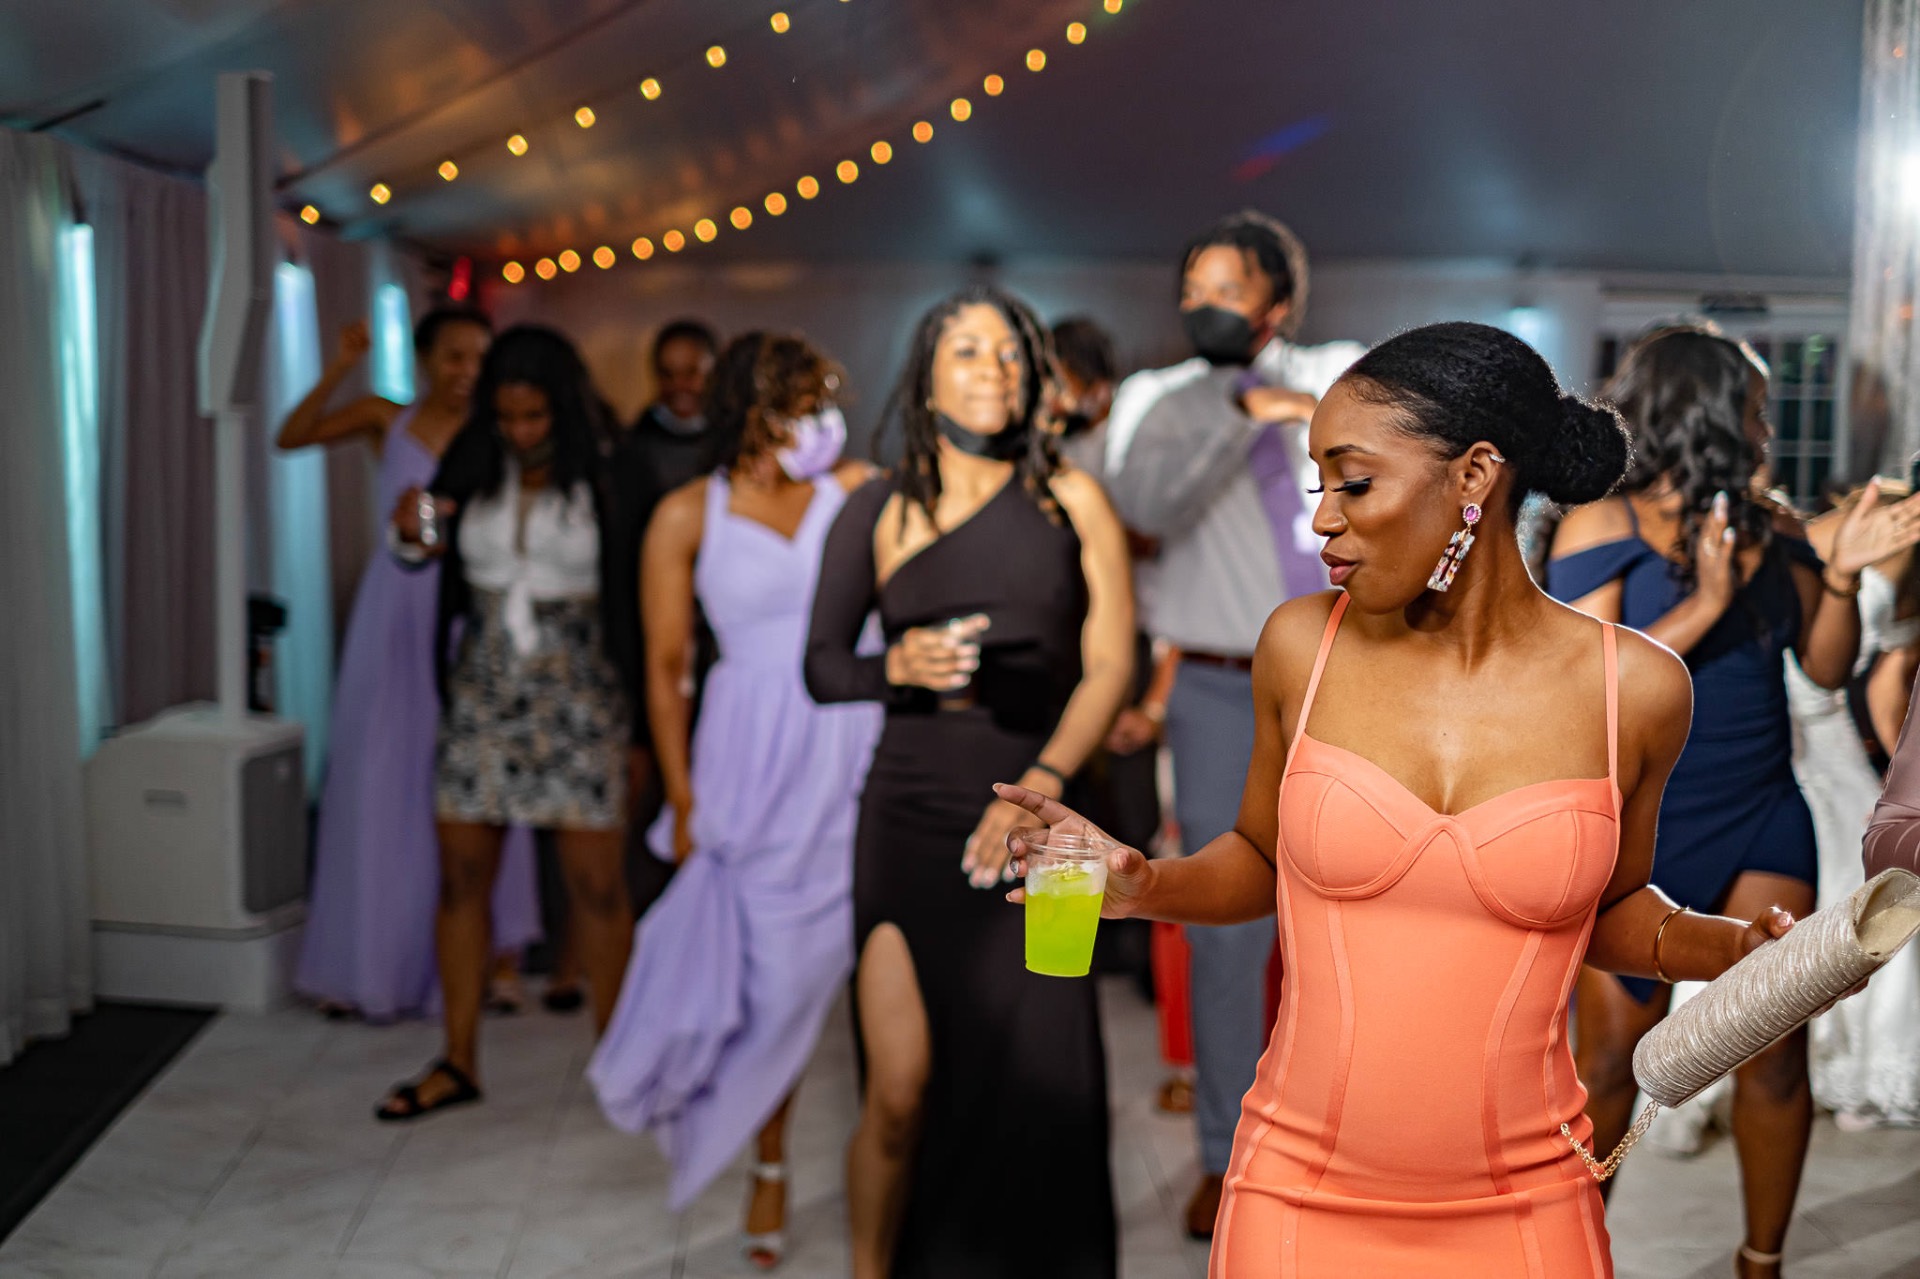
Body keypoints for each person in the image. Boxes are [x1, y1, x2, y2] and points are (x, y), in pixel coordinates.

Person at [997, 320, 1806, 1277]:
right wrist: (1144, 885)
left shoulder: (1638, 687)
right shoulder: (1302, 646)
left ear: (1474, 476)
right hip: (1297, 1190)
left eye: (1354, 481)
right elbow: (1259, 855)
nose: (1322, 519)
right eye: (1318, 485)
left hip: (1529, 1198)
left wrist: (1736, 949)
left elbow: (1613, 910)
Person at [1548, 325, 1920, 1275]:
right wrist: (1707, 602)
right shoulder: (1601, 525)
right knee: (1609, 1062)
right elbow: (1583, 686)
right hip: (1641, 822)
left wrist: (1839, 575)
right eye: (1754, 409)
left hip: (1760, 808)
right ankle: (1569, 1257)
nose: (1765, 430)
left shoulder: (1776, 527)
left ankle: (1762, 1262)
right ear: (1705, 413)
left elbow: (1827, 666)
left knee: (1776, 1050)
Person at [804, 285, 1134, 1278]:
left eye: (1008, 354)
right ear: (927, 374)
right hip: (906, 811)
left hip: (1053, 814)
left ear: (1033, 378)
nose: (990, 370)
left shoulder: (1073, 498)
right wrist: (891, 669)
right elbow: (822, 665)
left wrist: (1039, 780)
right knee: (898, 1088)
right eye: (966, 351)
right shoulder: (878, 502)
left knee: (1051, 1084)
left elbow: (1111, 663)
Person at [587, 332, 880, 1269]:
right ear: (751, 410)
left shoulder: (862, 491)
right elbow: (667, 669)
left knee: (866, 967)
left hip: (857, 743)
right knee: (769, 979)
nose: (819, 422)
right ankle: (767, 1158)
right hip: (746, 753)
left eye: (824, 401)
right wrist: (679, 793)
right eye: (800, 403)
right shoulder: (685, 515)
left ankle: (892, 1156)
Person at [1100, 209, 1365, 1236]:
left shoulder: (1342, 370)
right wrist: (1234, 407)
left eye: (1227, 287)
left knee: (1352, 916)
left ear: (1278, 304)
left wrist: (1298, 405)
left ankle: (1340, 1142)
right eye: (1192, 286)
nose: (1203, 302)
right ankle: (1226, 1152)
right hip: (1219, 689)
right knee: (1229, 930)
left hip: (1353, 675)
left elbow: (1387, 464)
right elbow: (1147, 504)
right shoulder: (1155, 397)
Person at [376, 325, 652, 1119]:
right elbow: (424, 556)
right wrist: (407, 539)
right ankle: (457, 1059)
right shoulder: (473, 459)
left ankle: (620, 1062)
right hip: (485, 686)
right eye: (509, 416)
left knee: (597, 885)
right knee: (462, 874)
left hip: (581, 687)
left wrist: (644, 724)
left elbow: (645, 591)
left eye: (535, 417)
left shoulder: (611, 469)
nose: (521, 431)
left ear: (561, 408)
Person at [283, 310, 543, 1023]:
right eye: (454, 357)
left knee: (477, 780)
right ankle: (367, 957)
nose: (466, 372)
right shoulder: (383, 417)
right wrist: (339, 366)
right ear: (426, 358)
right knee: (376, 776)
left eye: (477, 359)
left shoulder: (501, 432)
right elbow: (291, 436)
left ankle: (501, 957)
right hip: (393, 607)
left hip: (467, 607)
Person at [1799, 490, 1920, 1130]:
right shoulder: (1872, 531)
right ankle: (1836, 1069)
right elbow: (1884, 684)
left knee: (1849, 898)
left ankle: (1837, 1069)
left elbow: (1886, 681)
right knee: (1848, 895)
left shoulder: (1885, 544)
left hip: (1821, 743)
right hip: (1787, 742)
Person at [630, 318, 724, 496]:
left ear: (715, 372)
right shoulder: (637, 446)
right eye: (667, 374)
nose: (679, 385)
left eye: (691, 373)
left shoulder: (734, 437)